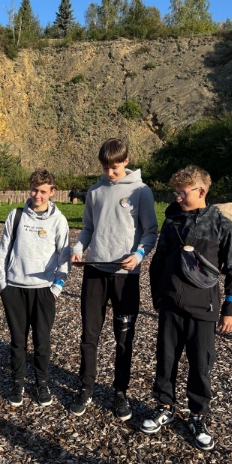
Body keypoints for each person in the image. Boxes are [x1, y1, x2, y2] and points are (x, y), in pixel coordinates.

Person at [141, 165, 232, 450]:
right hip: (171, 305)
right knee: (165, 359)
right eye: (176, 192)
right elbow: (159, 261)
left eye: (182, 192)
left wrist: (231, 306)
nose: (177, 197)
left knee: (201, 363)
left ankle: (198, 415)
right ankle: (164, 406)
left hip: (204, 307)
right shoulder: (173, 222)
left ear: (201, 191)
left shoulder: (222, 225)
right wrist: (158, 296)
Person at [70, 138, 158, 420]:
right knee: (89, 336)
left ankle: (120, 392)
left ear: (126, 162)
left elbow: (150, 231)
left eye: (115, 168)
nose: (110, 173)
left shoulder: (141, 191)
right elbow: (87, 228)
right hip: (95, 271)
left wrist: (139, 255)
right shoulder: (94, 191)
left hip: (125, 275)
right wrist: (77, 248)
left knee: (124, 339)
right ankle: (86, 388)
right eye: (105, 168)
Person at [0, 169, 70, 407]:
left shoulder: (58, 220)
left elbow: (64, 257)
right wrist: (3, 284)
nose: (37, 195)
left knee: (42, 342)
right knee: (18, 341)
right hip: (15, 289)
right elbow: (3, 250)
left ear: (52, 192)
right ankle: (17, 382)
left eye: (43, 191)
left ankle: (42, 383)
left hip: (44, 290)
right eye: (34, 190)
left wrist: (56, 288)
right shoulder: (16, 215)